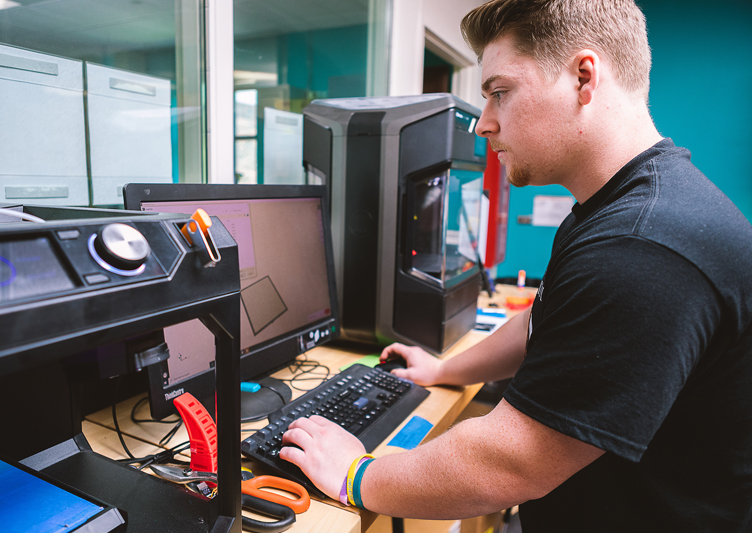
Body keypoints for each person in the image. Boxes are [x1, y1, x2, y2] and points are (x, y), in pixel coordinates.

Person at [280, 0, 752, 530]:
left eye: (500, 92)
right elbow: (544, 325)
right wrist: (442, 370)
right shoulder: (620, 206)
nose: (484, 124)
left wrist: (354, 475)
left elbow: (513, 461)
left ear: (583, 77)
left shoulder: (643, 245)